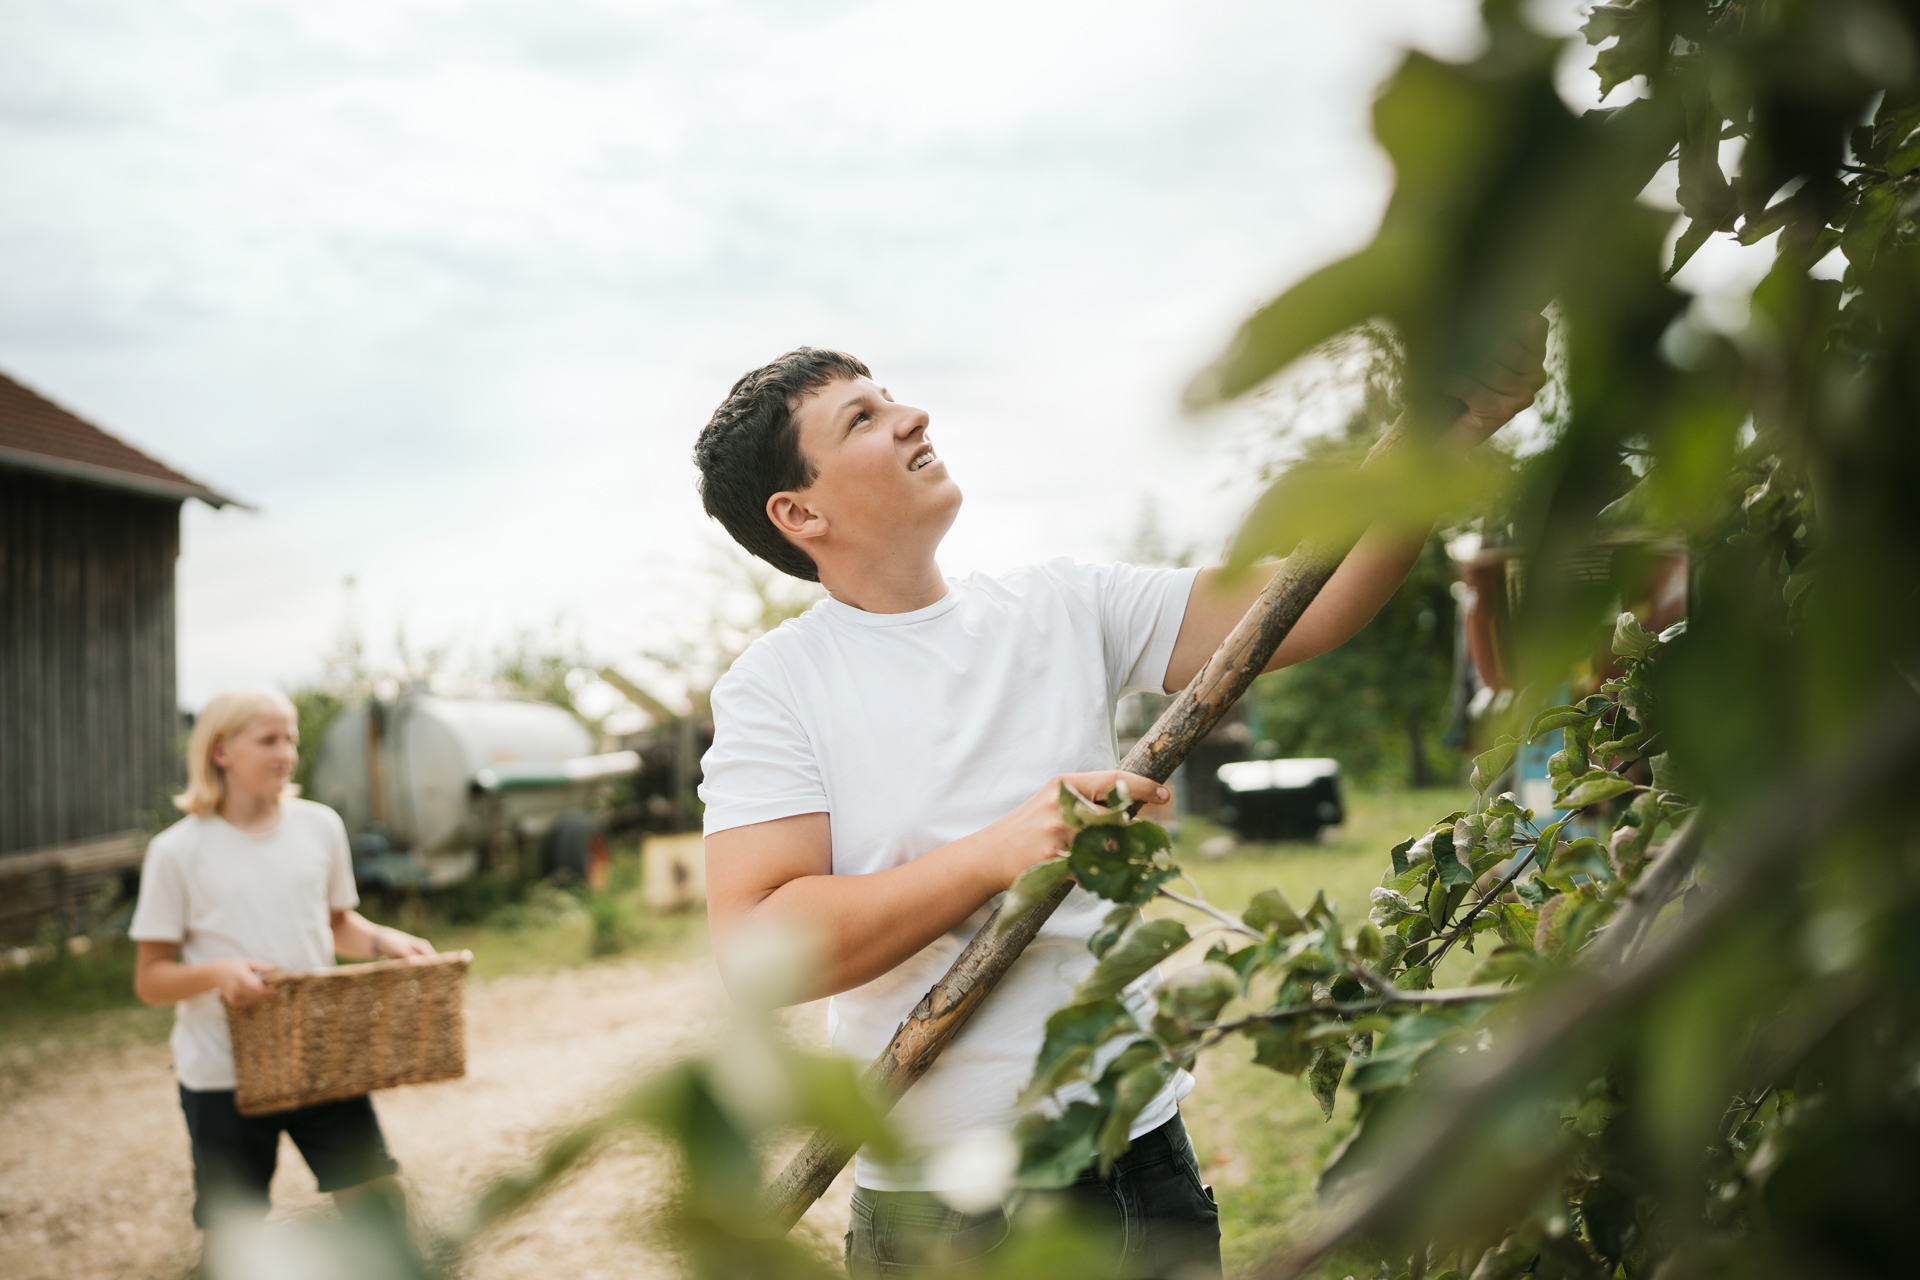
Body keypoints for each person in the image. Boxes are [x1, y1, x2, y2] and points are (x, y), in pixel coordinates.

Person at [693, 336, 1545, 1277]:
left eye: (891, 395)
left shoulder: (1061, 607)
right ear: (797, 510)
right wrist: (1006, 848)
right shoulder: (779, 687)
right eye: (863, 417)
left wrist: (1441, 435)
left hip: (1135, 1169)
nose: (911, 416)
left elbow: (1311, 601)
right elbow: (760, 948)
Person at [129, 688, 435, 1242]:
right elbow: (151, 978)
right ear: (221, 752)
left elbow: (339, 924)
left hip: (319, 1055)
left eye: (290, 738)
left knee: (377, 1204)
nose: (286, 752)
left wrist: (384, 940)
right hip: (223, 1074)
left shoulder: (320, 827)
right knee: (235, 1233)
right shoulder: (177, 851)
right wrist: (218, 974)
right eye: (269, 739)